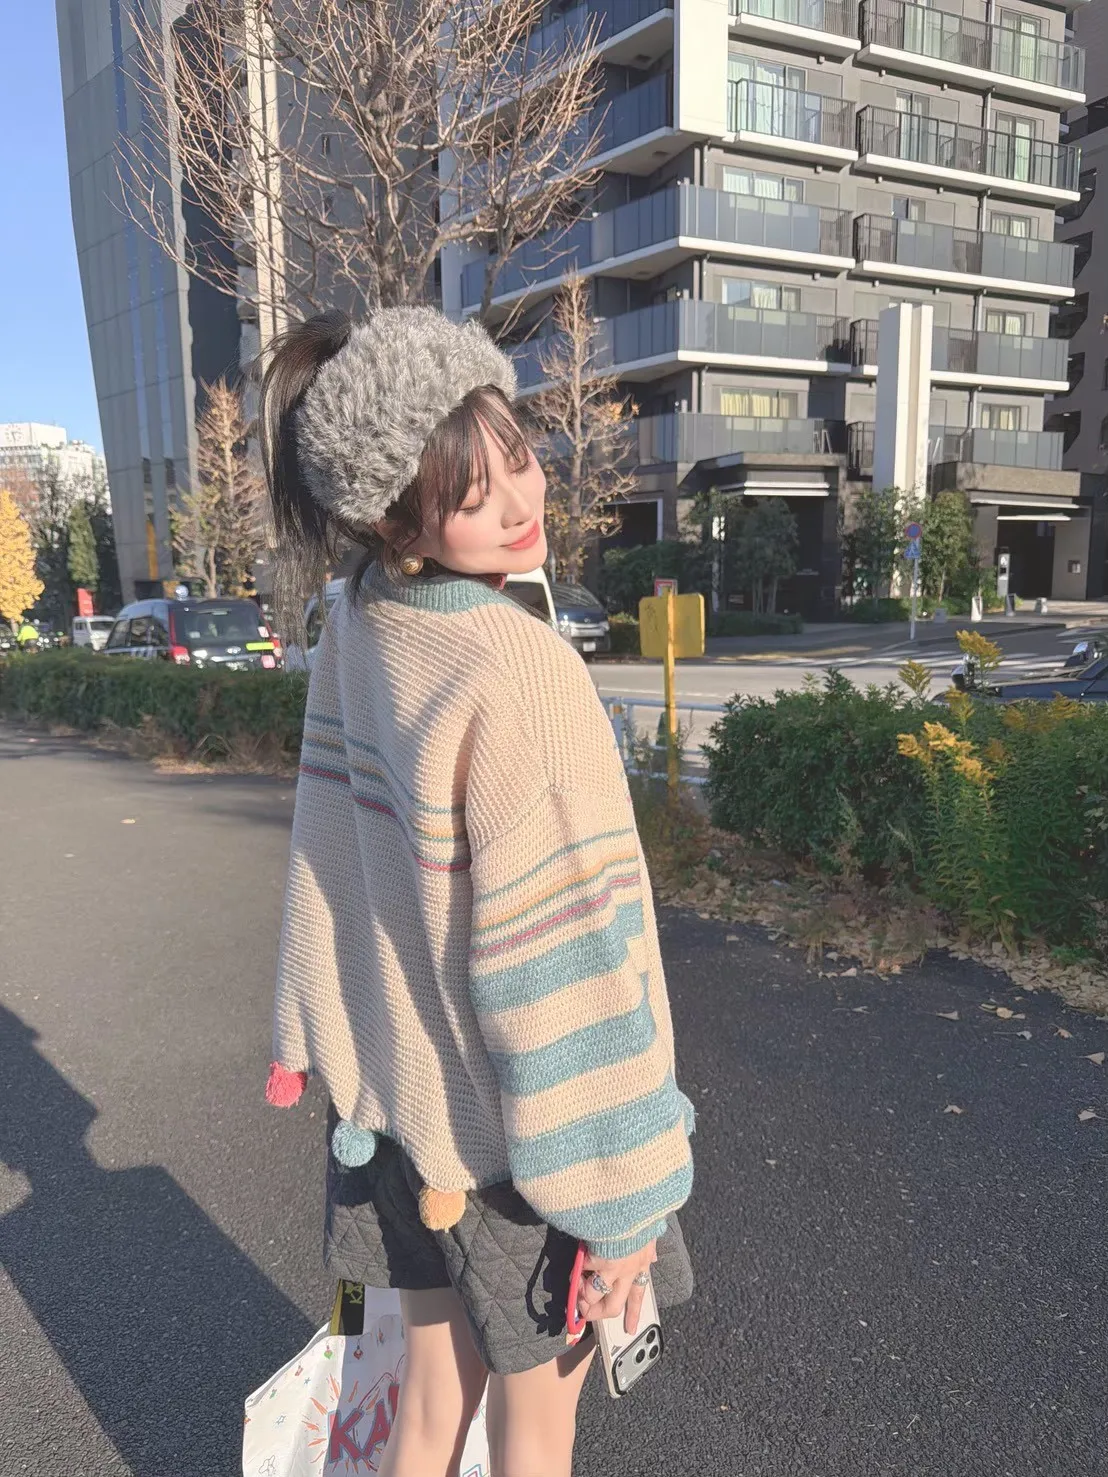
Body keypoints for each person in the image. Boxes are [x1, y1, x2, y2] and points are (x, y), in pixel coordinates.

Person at [259, 307, 694, 1477]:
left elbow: (326, 849)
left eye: (518, 455)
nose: (517, 501)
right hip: (518, 1150)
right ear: (393, 518)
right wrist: (618, 1201)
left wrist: (311, 1028)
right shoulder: (518, 668)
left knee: (428, 1407)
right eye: (469, 491)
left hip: (396, 1119)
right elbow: (565, 959)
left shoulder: (360, 618)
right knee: (535, 1437)